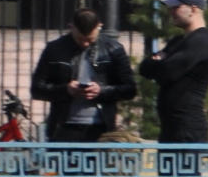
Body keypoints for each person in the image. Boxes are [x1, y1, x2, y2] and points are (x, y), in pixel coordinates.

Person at [29, 8, 136, 143]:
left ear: (99, 27)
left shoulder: (114, 49)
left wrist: (101, 90)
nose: (85, 43)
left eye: (89, 40)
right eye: (80, 39)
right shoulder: (54, 49)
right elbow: (37, 89)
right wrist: (65, 90)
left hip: (101, 128)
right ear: (71, 27)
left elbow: (129, 89)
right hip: (64, 127)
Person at [138, 0, 208, 144]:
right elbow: (144, 68)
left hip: (187, 128)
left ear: (193, 10)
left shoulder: (202, 40)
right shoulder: (178, 41)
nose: (171, 11)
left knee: (184, 168)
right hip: (170, 128)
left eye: (176, 7)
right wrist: (158, 62)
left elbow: (167, 72)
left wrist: (159, 61)